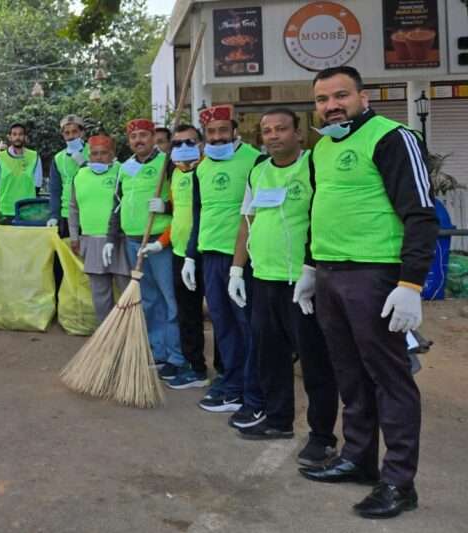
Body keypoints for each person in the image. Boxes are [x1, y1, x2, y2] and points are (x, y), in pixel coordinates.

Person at [296, 66, 437, 519]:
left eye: (340, 95)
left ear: (364, 97)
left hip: (375, 276)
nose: (331, 105)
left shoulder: (393, 138)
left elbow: (420, 214)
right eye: (322, 99)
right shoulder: (321, 150)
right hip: (332, 275)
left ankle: (399, 481)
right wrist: (310, 266)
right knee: (349, 373)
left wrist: (410, 283)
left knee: (389, 378)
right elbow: (320, 210)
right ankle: (358, 458)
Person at [225, 108, 339, 468]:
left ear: (299, 133)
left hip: (302, 283)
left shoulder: (313, 167)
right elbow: (247, 222)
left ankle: (322, 437)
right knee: (269, 357)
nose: (273, 136)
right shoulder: (257, 171)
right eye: (267, 130)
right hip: (265, 279)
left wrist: (312, 270)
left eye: (281, 129)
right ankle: (277, 421)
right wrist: (236, 270)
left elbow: (326, 219)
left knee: (314, 361)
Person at [182, 104, 262, 421]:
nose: (217, 137)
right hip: (209, 254)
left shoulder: (255, 160)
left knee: (246, 325)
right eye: (211, 132)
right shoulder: (201, 167)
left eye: (222, 130)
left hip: (242, 256)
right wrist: (191, 254)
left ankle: (251, 387)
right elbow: (199, 213)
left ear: (234, 130)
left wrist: (242, 265)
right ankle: (231, 381)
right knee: (223, 325)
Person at [103, 118, 185, 375]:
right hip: (133, 241)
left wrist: (166, 207)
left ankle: (176, 356)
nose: (138, 140)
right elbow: (117, 205)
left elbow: (185, 202)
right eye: (134, 136)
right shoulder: (124, 168)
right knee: (149, 300)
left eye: (143, 135)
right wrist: (109, 238)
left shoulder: (168, 164)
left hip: (161, 242)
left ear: (153, 137)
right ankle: (157, 351)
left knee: (170, 300)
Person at [157, 124, 216, 390]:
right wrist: (161, 242)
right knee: (187, 314)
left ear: (201, 143)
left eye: (189, 142)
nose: (182, 148)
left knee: (218, 315)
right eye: (177, 143)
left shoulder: (208, 170)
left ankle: (226, 372)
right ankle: (195, 367)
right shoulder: (175, 173)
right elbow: (179, 215)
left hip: (208, 253)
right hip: (180, 253)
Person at [69, 134, 127, 322]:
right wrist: (74, 236)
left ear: (113, 154)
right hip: (91, 241)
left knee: (127, 292)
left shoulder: (123, 171)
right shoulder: (80, 175)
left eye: (104, 153)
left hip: (119, 240)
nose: (99, 157)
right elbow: (73, 208)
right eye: (94, 154)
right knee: (100, 296)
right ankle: (106, 337)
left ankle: (131, 336)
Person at [47, 114, 88, 237]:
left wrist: (85, 165)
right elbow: (55, 190)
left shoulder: (94, 151)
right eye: (67, 133)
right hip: (66, 215)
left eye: (74, 132)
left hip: (89, 213)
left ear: (82, 133)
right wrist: (54, 215)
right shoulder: (58, 158)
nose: (71, 136)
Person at [0, 123, 41, 222]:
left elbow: (37, 185)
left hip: (28, 210)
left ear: (25, 137)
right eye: (14, 134)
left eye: (20, 134)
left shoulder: (35, 156)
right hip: (6, 210)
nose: (17, 137)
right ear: (10, 137)